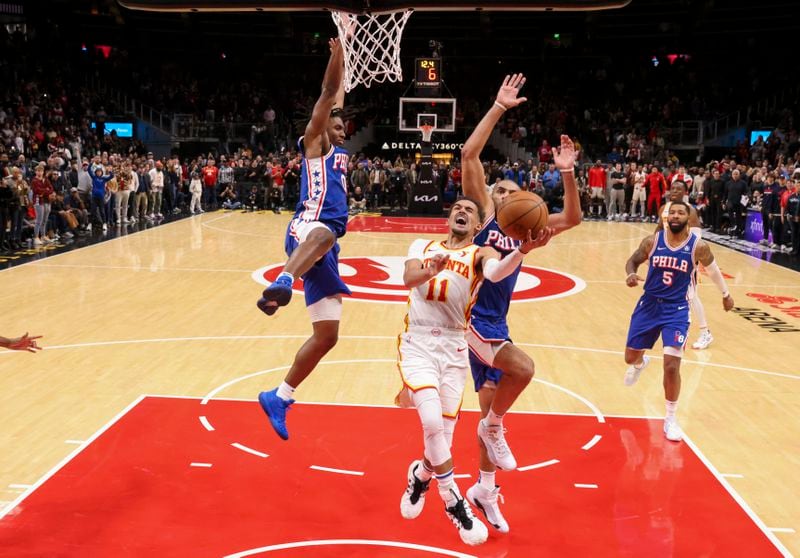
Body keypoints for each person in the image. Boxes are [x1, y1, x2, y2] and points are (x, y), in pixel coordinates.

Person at [458, 73, 581, 533]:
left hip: (494, 321)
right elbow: (469, 154)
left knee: (491, 407)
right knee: (521, 373)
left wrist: (566, 172)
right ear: (492, 197)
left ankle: (485, 490)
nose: (508, 196)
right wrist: (498, 107)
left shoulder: (528, 230)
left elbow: (572, 217)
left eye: (515, 193)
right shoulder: (486, 218)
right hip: (468, 318)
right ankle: (490, 432)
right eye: (502, 191)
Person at [396, 197, 551, 546]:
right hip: (418, 341)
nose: (461, 211)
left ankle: (421, 475)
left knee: (443, 439)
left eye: (469, 209)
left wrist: (522, 251)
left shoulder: (480, 255)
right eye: (456, 208)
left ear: (479, 223)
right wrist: (430, 270)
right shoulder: (422, 245)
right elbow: (408, 277)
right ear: (448, 216)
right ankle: (453, 501)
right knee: (433, 423)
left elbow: (497, 272)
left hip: (453, 346)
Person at [256, 38, 348, 440]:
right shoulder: (317, 142)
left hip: (327, 244)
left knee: (328, 335)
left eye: (345, 126)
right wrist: (334, 54)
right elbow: (329, 93)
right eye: (338, 124)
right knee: (327, 233)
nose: (343, 130)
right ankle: (283, 280)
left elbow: (339, 93)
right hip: (308, 228)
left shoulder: (338, 146)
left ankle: (280, 395)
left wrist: (346, 52)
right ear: (322, 124)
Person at [623, 201, 734, 442]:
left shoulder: (698, 247)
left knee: (672, 365)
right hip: (649, 304)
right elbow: (632, 261)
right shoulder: (652, 241)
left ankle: (670, 418)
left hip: (677, 310)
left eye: (680, 213)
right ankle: (640, 363)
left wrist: (726, 295)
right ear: (666, 217)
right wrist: (631, 274)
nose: (675, 216)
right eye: (671, 212)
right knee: (630, 357)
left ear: (689, 219)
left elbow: (714, 271)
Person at [656, 180, 713, 350]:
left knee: (691, 296)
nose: (674, 191)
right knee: (668, 293)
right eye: (672, 188)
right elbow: (659, 230)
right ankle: (668, 326)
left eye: (678, 189)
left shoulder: (691, 211)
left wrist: (692, 260)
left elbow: (697, 237)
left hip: (685, 259)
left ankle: (705, 333)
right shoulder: (665, 208)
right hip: (668, 259)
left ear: (685, 192)